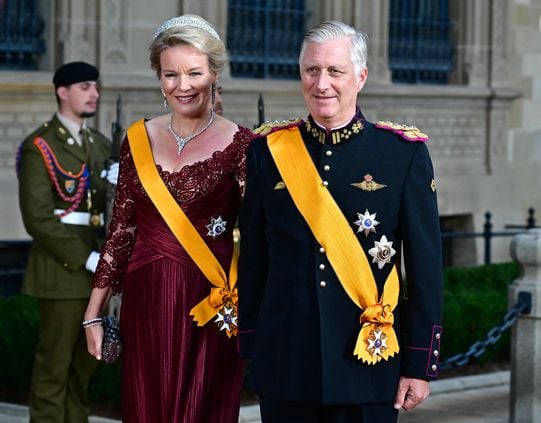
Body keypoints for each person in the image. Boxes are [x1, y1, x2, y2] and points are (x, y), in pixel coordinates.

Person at [238, 20, 443, 422]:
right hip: (286, 362)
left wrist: (419, 365)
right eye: (312, 70)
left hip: (368, 363)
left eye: (335, 71)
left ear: (360, 77)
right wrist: (250, 343)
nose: (322, 83)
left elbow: (426, 269)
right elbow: (254, 259)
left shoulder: (401, 154)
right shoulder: (267, 152)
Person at [83, 15, 251, 422]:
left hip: (210, 305)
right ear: (159, 77)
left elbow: (260, 236)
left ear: (214, 74)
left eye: (194, 72)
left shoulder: (243, 143)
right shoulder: (137, 138)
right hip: (147, 299)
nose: (183, 85)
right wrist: (94, 313)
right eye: (170, 74)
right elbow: (121, 229)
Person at [17, 61, 117, 422]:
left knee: (83, 369)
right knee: (53, 368)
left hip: (96, 275)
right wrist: (88, 258)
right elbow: (38, 219)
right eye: (86, 87)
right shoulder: (39, 146)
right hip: (62, 272)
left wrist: (119, 183)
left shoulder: (100, 143)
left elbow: (107, 208)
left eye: (95, 87)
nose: (95, 94)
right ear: (63, 91)